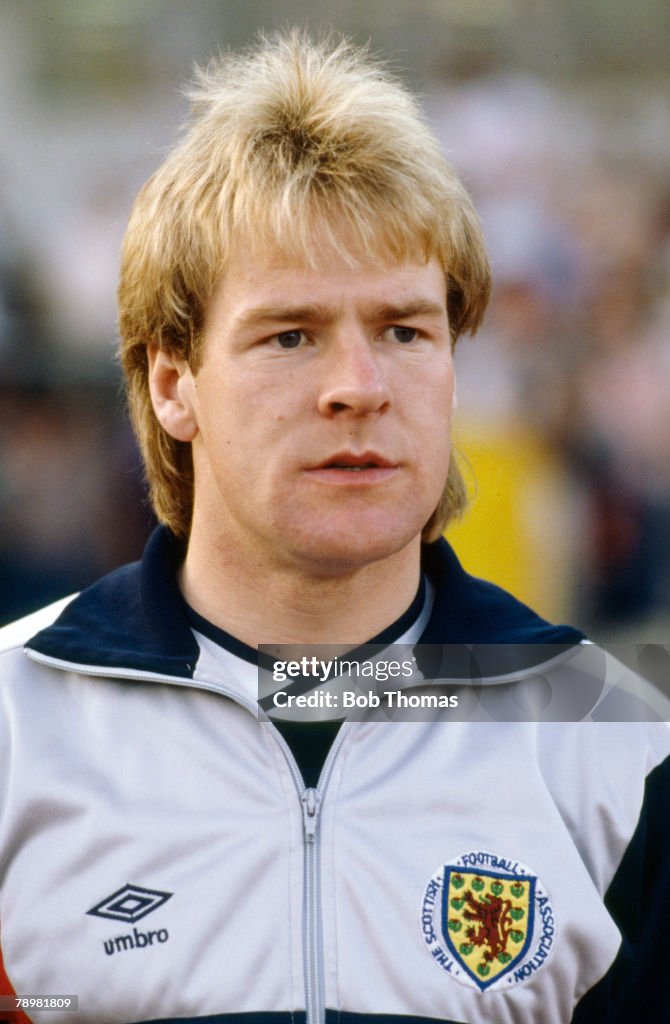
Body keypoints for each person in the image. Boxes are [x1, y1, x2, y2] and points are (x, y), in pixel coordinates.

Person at [0, 30, 668, 1024]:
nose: (358, 387)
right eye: (290, 335)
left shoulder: (616, 746)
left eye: (404, 329)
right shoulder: (16, 724)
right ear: (175, 382)